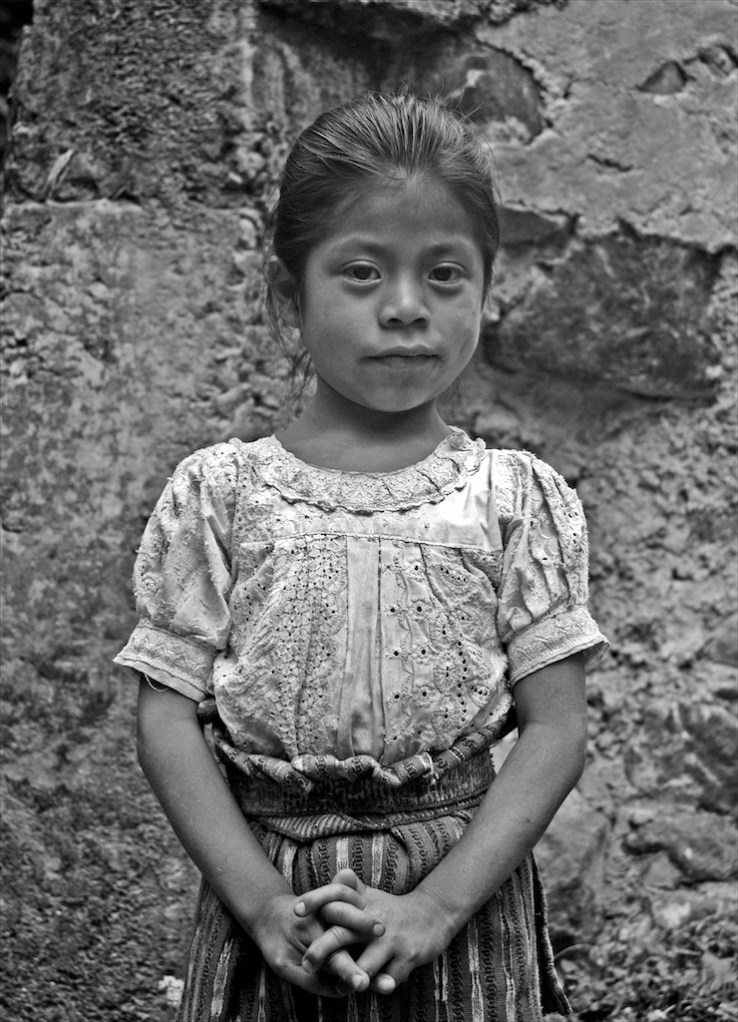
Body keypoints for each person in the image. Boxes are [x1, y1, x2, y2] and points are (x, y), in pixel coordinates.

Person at [115, 90, 608, 1021]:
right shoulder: (222, 496)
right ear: (285, 294)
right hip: (278, 902)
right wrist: (261, 906)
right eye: (362, 272)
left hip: (459, 909)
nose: (407, 308)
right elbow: (167, 719)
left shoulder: (513, 500)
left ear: (487, 290)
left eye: (446, 275)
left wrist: (434, 907)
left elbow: (555, 730)